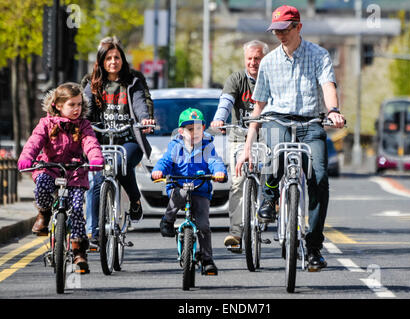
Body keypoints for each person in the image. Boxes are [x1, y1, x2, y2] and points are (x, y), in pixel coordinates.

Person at [235, 5, 346, 271]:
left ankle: (314, 247)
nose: (280, 35)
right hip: (277, 119)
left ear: (298, 27)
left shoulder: (319, 55)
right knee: (278, 155)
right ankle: (269, 196)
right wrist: (248, 146)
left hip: (310, 122)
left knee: (319, 177)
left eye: (285, 29)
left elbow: (328, 86)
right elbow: (259, 107)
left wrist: (333, 111)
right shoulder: (269, 62)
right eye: (276, 31)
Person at [17, 82, 104, 273]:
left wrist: (95, 158)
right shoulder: (46, 124)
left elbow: (90, 143)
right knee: (42, 186)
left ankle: (79, 251)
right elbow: (34, 142)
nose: (76, 109)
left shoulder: (83, 125)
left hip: (74, 171)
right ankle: (44, 213)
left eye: (79, 105)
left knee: (76, 208)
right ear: (58, 105)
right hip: (50, 168)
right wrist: (26, 158)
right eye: (71, 105)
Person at [81, 36, 154, 245]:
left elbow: (140, 103)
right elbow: (86, 108)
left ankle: (134, 199)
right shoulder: (93, 83)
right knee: (97, 180)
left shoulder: (133, 81)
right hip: (100, 141)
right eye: (109, 58)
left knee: (121, 164)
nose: (113, 61)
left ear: (122, 59)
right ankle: (94, 232)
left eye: (117, 57)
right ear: (102, 62)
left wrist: (144, 118)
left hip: (128, 139)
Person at [151, 108, 227, 275]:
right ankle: (168, 219)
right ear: (181, 131)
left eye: (198, 129)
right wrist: (158, 171)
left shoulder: (207, 147)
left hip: (200, 190)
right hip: (179, 185)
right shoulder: (175, 146)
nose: (195, 133)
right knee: (181, 193)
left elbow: (215, 162)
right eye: (190, 129)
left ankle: (207, 259)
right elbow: (165, 161)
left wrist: (219, 172)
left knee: (203, 225)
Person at [210, 40, 269, 250]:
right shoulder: (236, 79)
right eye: (250, 58)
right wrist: (219, 119)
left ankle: (265, 214)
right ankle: (235, 232)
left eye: (257, 58)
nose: (253, 62)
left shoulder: (271, 78)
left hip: (267, 137)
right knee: (237, 182)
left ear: (264, 59)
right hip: (239, 137)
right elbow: (226, 101)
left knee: (270, 175)